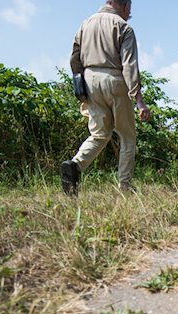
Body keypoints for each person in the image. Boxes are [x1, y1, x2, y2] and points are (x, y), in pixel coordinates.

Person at [60, 0, 152, 195]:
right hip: (115, 79)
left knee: (99, 134)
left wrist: (81, 85)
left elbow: (74, 58)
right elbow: (129, 65)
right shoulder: (124, 27)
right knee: (127, 136)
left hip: (89, 80)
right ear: (125, 6)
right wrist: (139, 100)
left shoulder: (85, 24)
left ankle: (74, 166)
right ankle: (125, 187)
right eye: (130, 11)